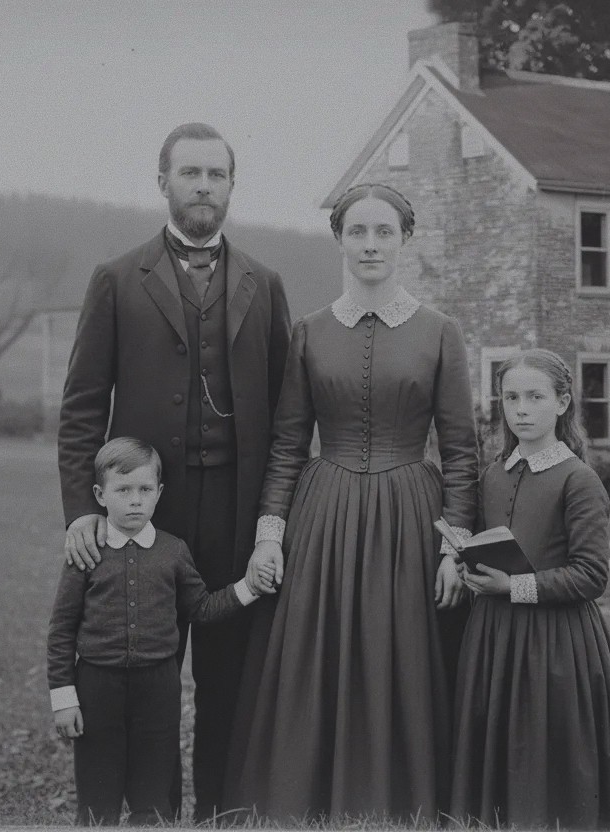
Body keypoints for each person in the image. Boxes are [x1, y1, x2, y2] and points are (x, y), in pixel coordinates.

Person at [57, 122, 292, 819]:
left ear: (231, 186)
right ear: (162, 181)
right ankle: (153, 817)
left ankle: (222, 814)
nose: (203, 186)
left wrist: (274, 519)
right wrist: (83, 512)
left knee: (229, 679)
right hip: (143, 513)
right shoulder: (116, 279)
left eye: (216, 174)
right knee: (144, 677)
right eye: (190, 173)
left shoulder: (264, 283)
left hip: (237, 512)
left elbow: (288, 417)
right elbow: (81, 409)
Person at [223, 183, 479, 822]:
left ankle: (406, 802)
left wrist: (455, 548)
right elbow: (287, 445)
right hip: (325, 518)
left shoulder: (440, 332)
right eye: (358, 232)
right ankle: (306, 800)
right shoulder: (309, 332)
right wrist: (269, 536)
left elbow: (461, 452)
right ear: (340, 239)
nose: (370, 244)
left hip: (410, 520)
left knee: (406, 657)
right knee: (317, 657)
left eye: (384, 232)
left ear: (404, 239)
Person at [449, 349, 610, 829]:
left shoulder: (578, 480)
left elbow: (591, 575)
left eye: (535, 397)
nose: (521, 409)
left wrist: (512, 585)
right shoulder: (493, 475)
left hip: (557, 642)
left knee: (549, 749)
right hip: (494, 636)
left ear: (562, 403)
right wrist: (469, 565)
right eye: (511, 398)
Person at [47, 438, 272, 825]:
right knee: (97, 795)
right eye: (123, 490)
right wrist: (64, 698)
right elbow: (62, 629)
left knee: (152, 793)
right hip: (97, 685)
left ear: (159, 493)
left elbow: (201, 608)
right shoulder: (86, 553)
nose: (135, 501)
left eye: (145, 489)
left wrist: (248, 588)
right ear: (100, 495)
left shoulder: (173, 551)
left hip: (158, 688)